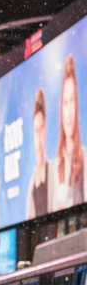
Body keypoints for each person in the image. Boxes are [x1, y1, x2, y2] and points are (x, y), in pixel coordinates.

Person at [54, 55, 84, 212]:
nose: (69, 111)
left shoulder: (84, 158)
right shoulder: (54, 167)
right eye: (65, 102)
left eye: (72, 101)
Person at [26, 88, 51, 221]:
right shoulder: (31, 187)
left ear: (45, 130)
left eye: (41, 129)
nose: (39, 137)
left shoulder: (53, 173)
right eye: (36, 131)